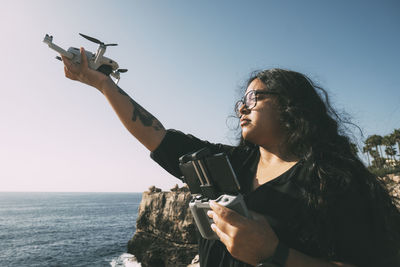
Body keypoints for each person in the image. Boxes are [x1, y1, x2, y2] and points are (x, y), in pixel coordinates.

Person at [61, 48, 400, 267]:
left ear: (290, 105)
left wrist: (275, 253)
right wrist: (102, 83)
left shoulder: (336, 180)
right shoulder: (231, 163)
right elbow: (156, 136)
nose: (242, 106)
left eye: (254, 97)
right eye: (241, 99)